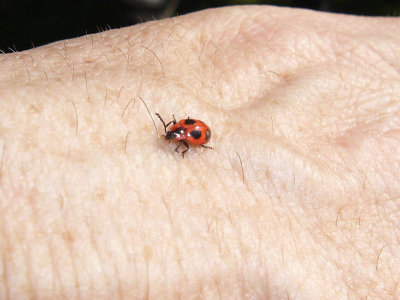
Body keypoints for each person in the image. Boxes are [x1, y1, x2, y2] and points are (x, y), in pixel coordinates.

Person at [1, 5, 399, 299]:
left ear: (181, 135)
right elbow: (191, 129)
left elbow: (194, 132)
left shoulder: (189, 135)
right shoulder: (185, 131)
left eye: (176, 135)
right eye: (177, 134)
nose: (175, 136)